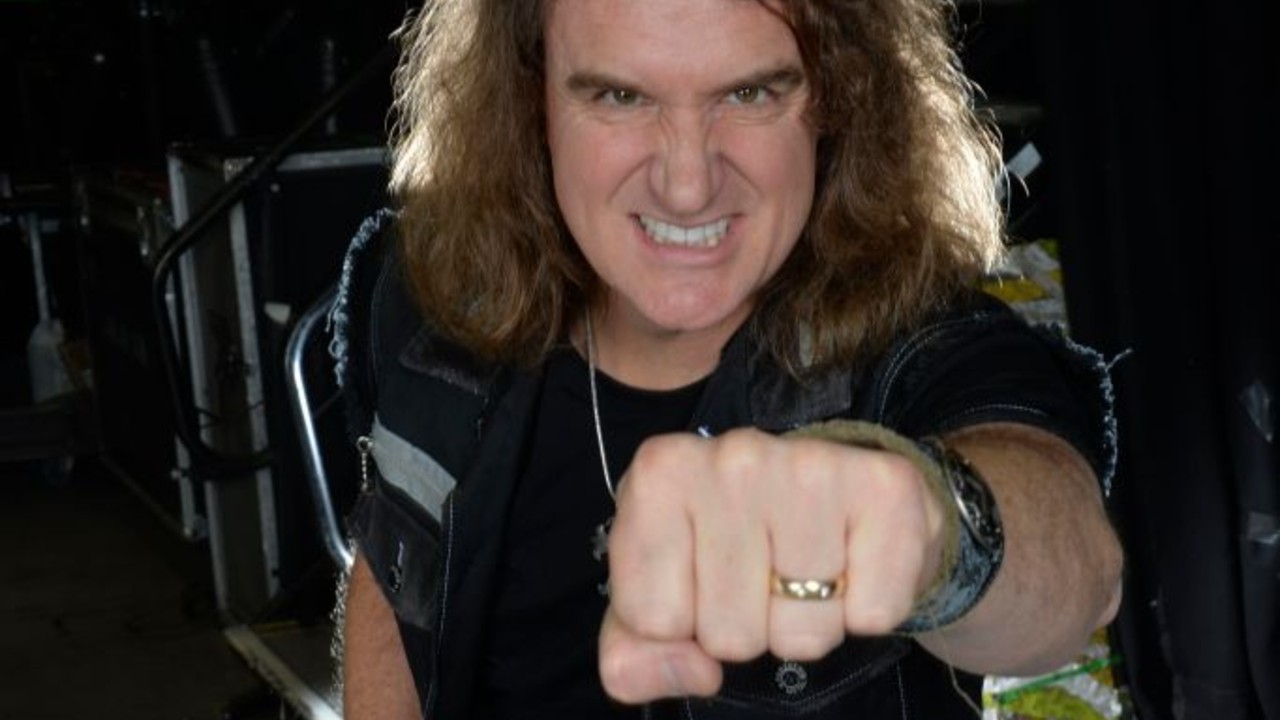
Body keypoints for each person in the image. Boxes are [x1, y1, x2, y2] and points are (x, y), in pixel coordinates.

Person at [328, 0, 1125, 717]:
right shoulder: (433, 294)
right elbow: (390, 567)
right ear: (529, 98)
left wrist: (922, 526)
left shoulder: (922, 350)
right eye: (620, 96)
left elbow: (1072, 578)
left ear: (843, 96)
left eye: (750, 94)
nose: (687, 185)